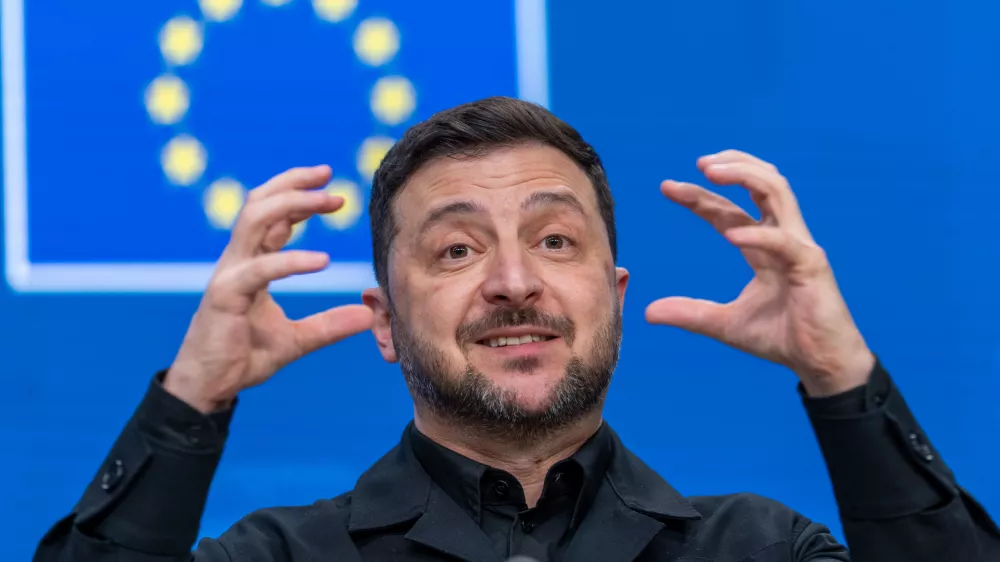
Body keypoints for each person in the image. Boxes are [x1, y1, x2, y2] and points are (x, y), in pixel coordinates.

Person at [35, 97, 999, 562]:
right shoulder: (279, 557)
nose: (512, 282)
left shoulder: (759, 549)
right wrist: (190, 403)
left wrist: (842, 377)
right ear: (384, 321)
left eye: (554, 240)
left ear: (613, 295)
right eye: (456, 251)